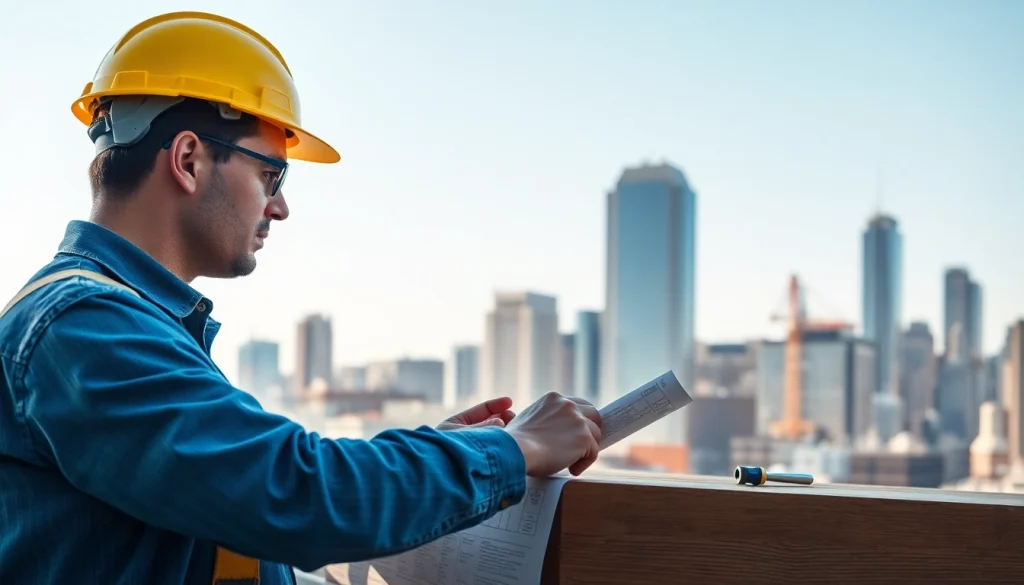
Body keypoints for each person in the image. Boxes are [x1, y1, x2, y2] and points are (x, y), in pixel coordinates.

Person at [0, 11, 602, 585]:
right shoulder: (83, 327)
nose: (280, 208)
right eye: (270, 175)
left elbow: (240, 496)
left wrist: (438, 457)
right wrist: (513, 449)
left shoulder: (129, 324)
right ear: (188, 159)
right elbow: (293, 493)